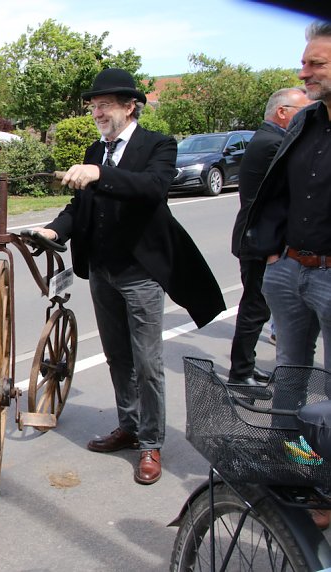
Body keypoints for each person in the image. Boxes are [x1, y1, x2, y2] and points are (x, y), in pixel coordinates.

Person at [32, 68, 225, 485]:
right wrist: (54, 229)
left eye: (104, 105)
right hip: (102, 271)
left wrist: (101, 175)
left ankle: (151, 443)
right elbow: (78, 205)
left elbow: (153, 188)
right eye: (94, 106)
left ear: (129, 106)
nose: (97, 112)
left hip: (140, 274)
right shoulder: (93, 150)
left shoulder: (158, 145)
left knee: (148, 363)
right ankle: (129, 425)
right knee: (117, 356)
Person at [242, 21, 331, 530]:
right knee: (291, 377)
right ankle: (291, 469)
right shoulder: (307, 121)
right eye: (305, 62)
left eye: (315, 63)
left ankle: (326, 490)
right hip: (292, 268)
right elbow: (275, 189)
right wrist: (275, 254)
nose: (305, 72)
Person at [228, 87, 310, 389]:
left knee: (256, 307)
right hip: (260, 240)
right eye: (302, 111)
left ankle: (245, 367)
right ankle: (240, 374)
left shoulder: (267, 138)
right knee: (254, 308)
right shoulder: (274, 143)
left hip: (257, 236)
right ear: (282, 112)